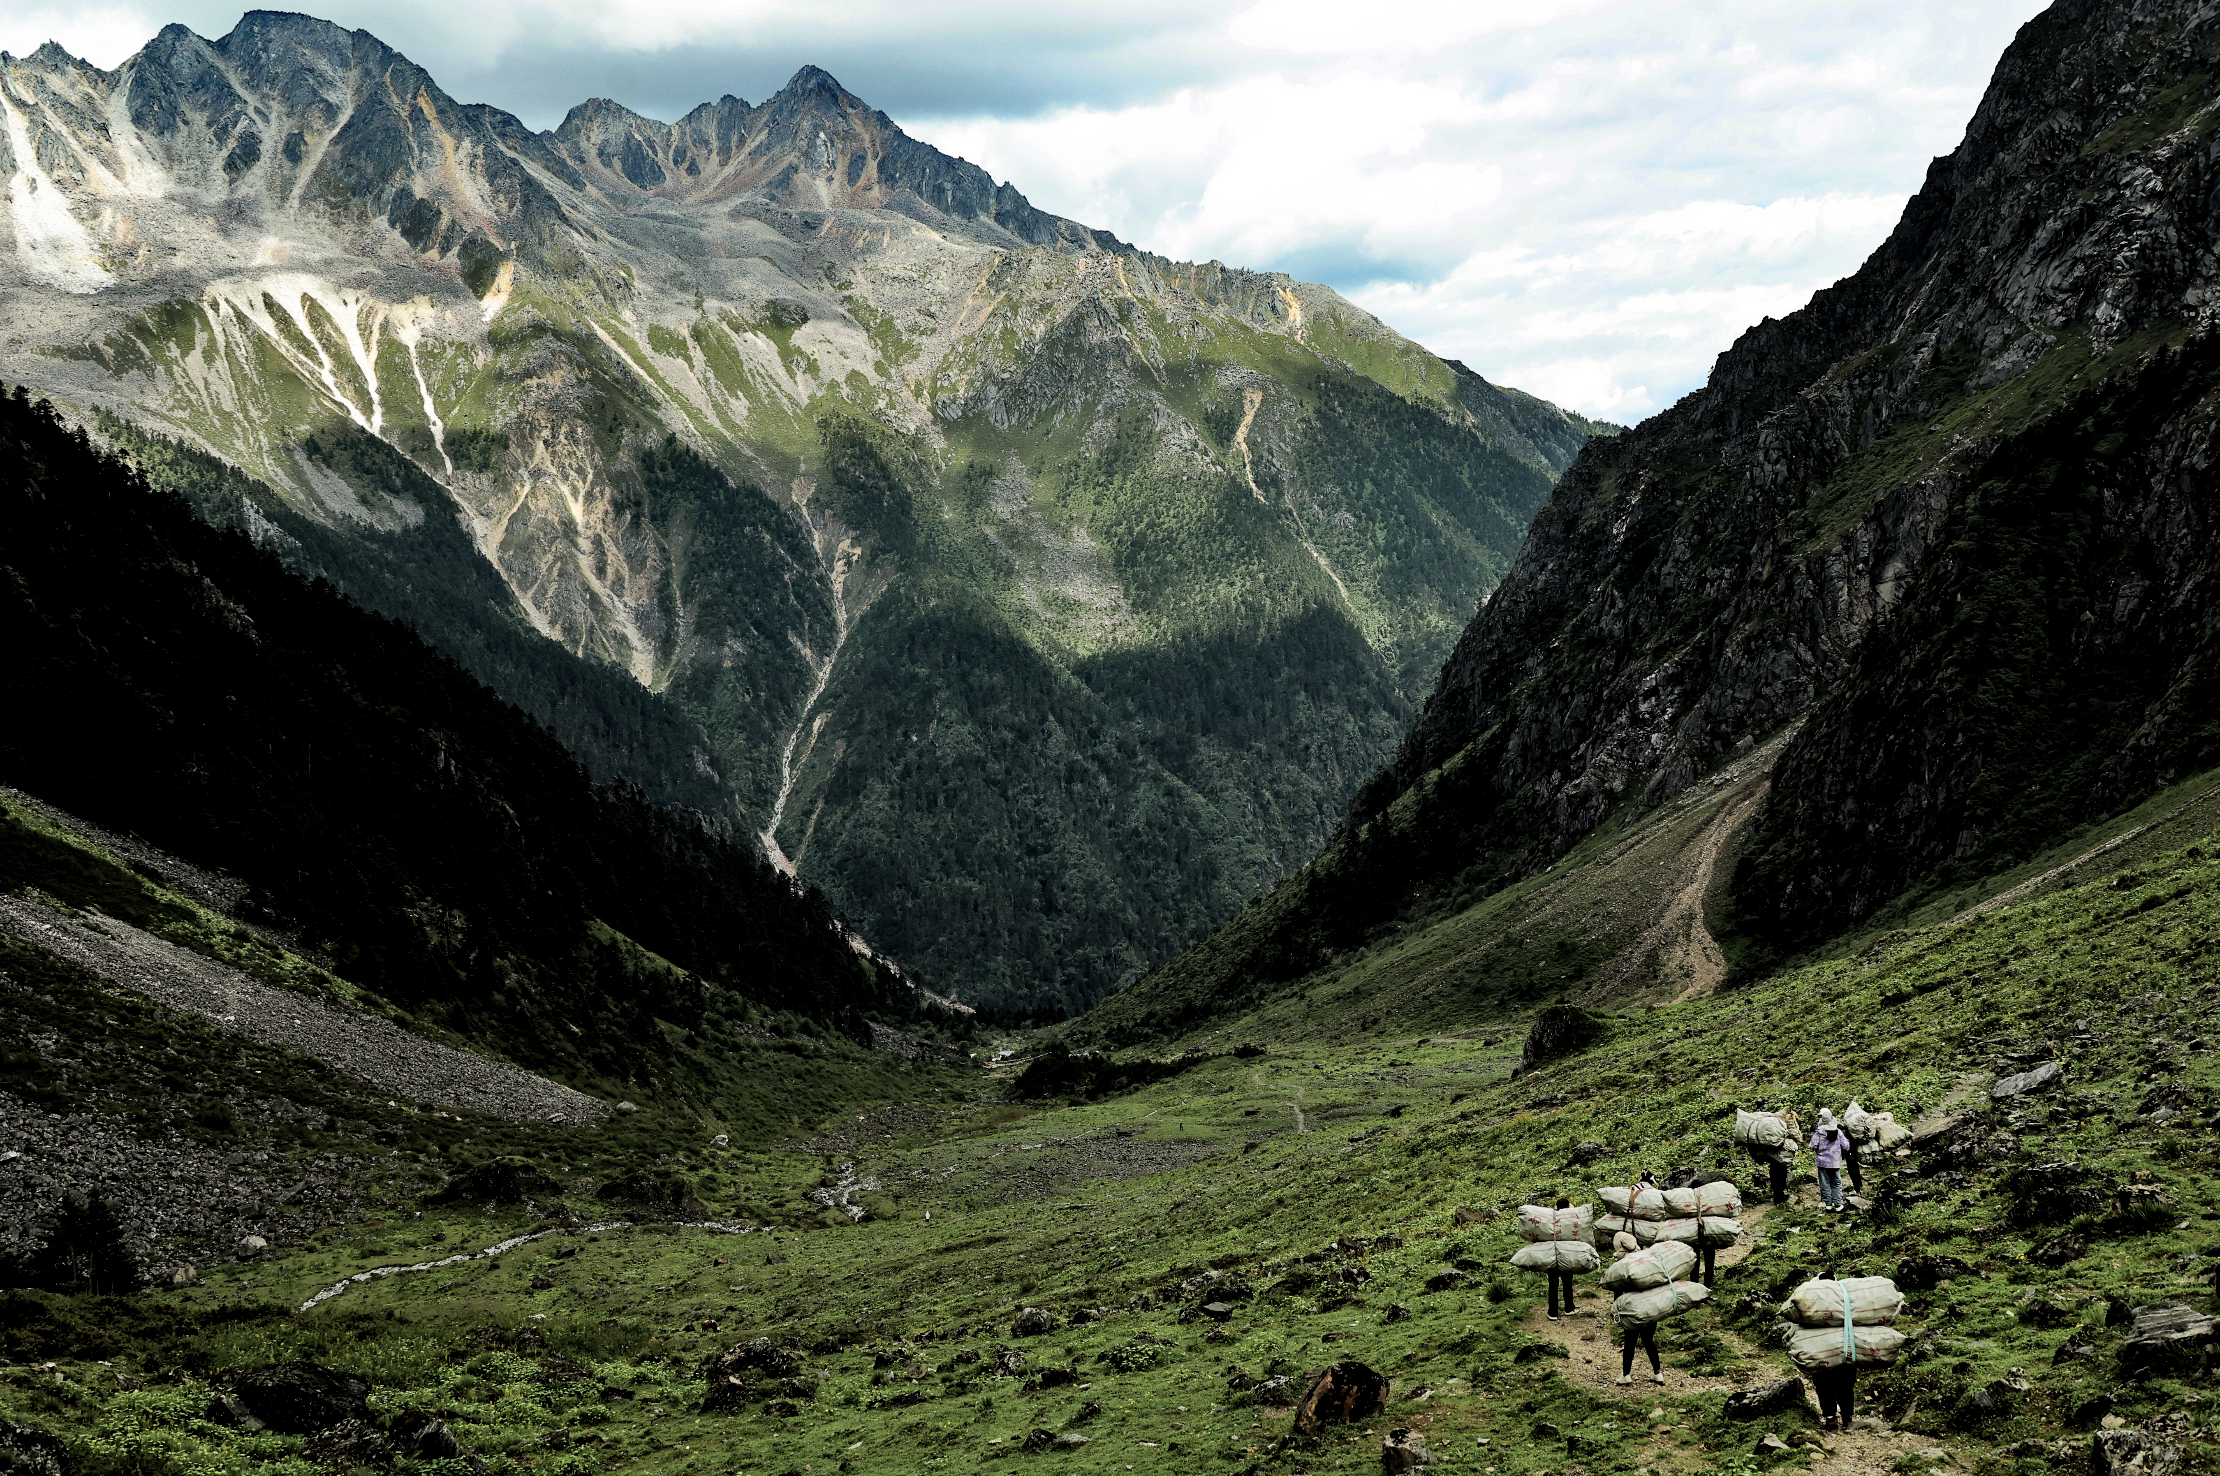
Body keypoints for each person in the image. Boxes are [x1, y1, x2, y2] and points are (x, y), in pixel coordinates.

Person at [1809, 1264, 1857, 1430]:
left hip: (1820, 1349)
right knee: (1846, 1384)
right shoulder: (1845, 1295)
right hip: (1844, 1347)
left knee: (1823, 1384)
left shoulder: (1810, 1296)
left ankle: (1830, 1418)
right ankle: (1848, 1418)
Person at [1546, 1196, 1578, 1320]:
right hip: (1566, 1255)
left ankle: (1552, 1312)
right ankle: (1569, 1308)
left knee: (1553, 1284)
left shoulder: (1550, 1220)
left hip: (1553, 1254)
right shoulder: (1570, 1220)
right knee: (1567, 1282)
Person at [1811, 1111, 1850, 1212]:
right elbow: (1846, 1146)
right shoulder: (1838, 1132)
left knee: (1824, 1183)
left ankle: (1828, 1204)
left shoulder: (1818, 1133)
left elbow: (1812, 1146)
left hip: (1822, 1163)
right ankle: (1838, 1205)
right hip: (1835, 1162)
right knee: (1836, 1183)